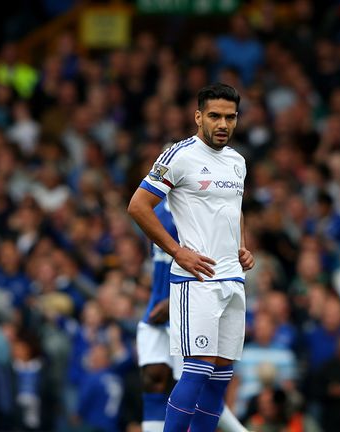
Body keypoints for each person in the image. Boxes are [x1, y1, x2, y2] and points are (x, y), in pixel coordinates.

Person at [128, 83, 254, 432]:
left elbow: (234, 208)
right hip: (197, 280)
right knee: (197, 370)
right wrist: (178, 252)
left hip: (233, 278)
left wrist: (242, 245)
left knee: (220, 377)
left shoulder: (237, 162)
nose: (223, 124)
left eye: (230, 117)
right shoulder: (180, 155)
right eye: (214, 116)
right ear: (198, 116)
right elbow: (138, 206)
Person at [137, 200, 248, 432]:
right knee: (153, 378)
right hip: (156, 309)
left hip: (187, 303)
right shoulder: (155, 209)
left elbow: (212, 255)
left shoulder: (200, 206)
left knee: (195, 381)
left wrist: (174, 300)